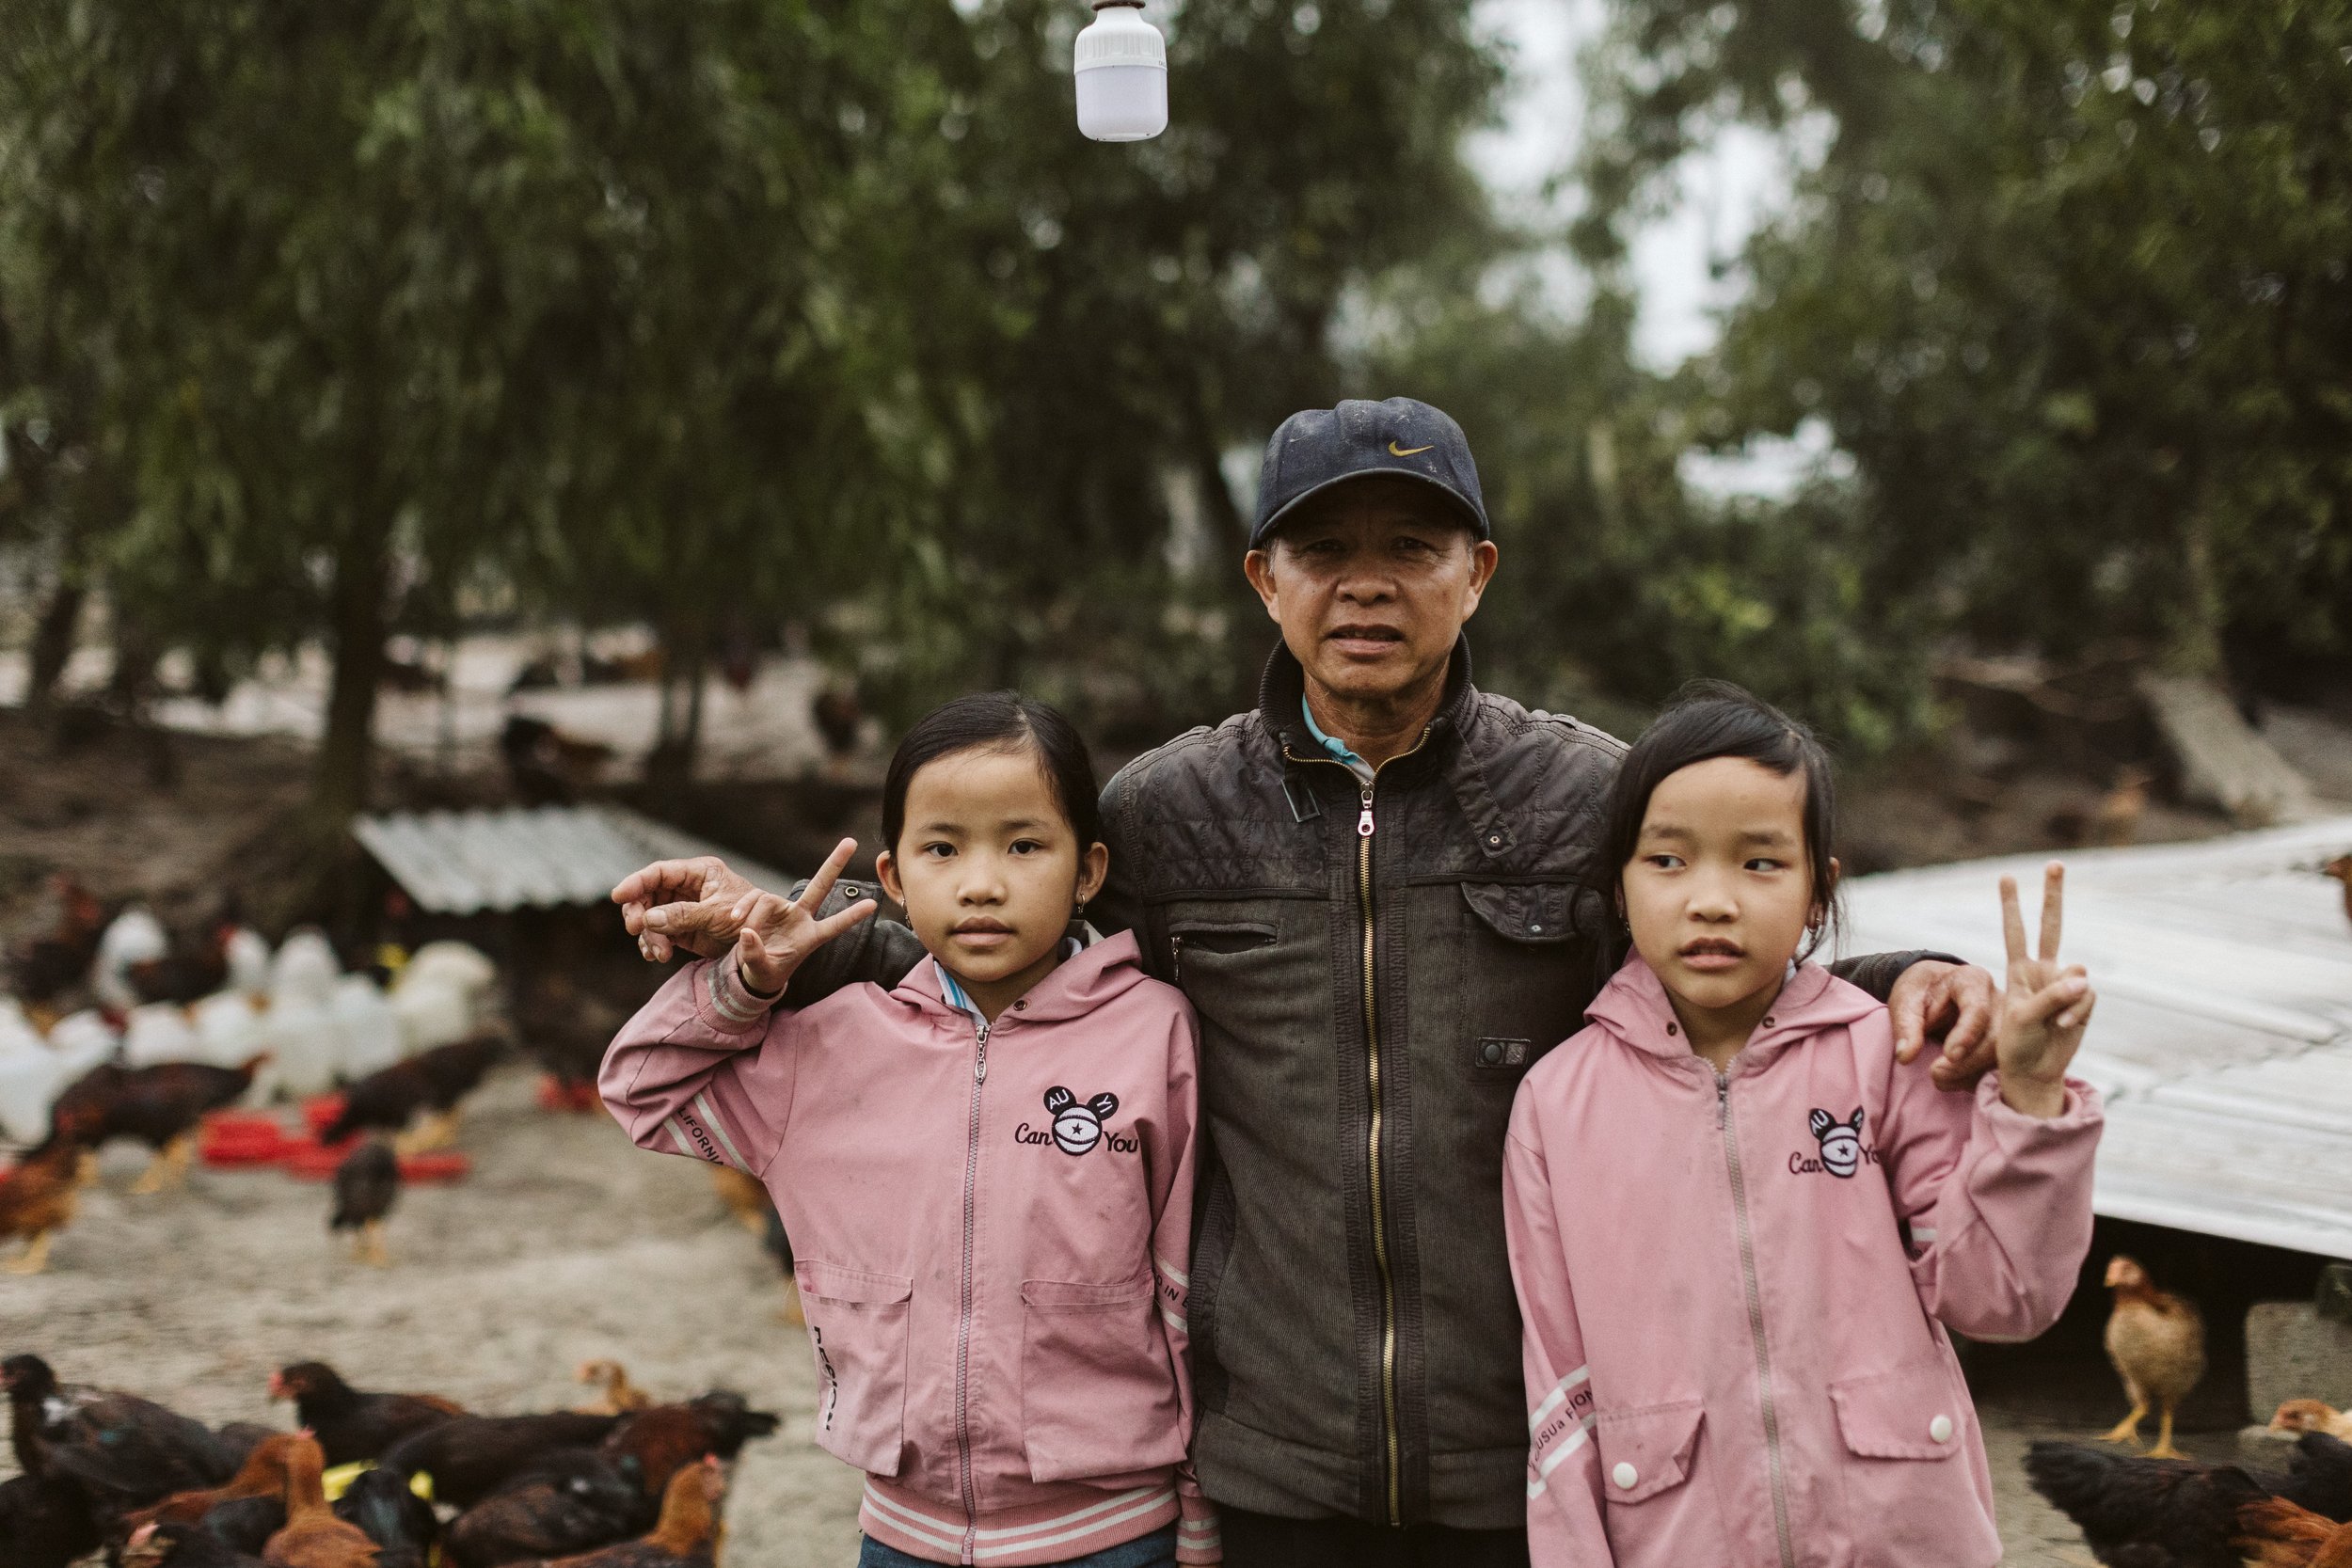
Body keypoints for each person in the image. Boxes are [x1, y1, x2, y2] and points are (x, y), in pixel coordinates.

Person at [612, 399, 2075, 1568]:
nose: (1367, 580)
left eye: (1414, 543)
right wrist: (807, 936)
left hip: (1524, 1442)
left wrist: (1911, 977)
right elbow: (1011, 947)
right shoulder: (1169, 811)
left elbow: (1725, 952)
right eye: (1325, 549)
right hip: (1276, 1454)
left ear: (1477, 573)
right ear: (1265, 577)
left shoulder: (1583, 792)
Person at [601, 694, 1220, 1568]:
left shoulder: (1152, 1034)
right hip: (903, 1537)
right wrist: (745, 985)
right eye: (943, 847)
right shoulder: (836, 1041)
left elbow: (1190, 1294)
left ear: (1088, 871)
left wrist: (1196, 1524)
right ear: (893, 879)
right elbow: (641, 1090)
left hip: (1115, 1535)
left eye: (1023, 844)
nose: (981, 882)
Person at [1503, 684, 2102, 1567]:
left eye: (1760, 863)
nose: (1712, 900)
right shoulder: (1557, 1105)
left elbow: (2004, 1297)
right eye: (1669, 860)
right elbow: (1559, 1389)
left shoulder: (1888, 1054)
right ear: (1619, 888)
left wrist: (2032, 1098)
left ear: (1819, 893)